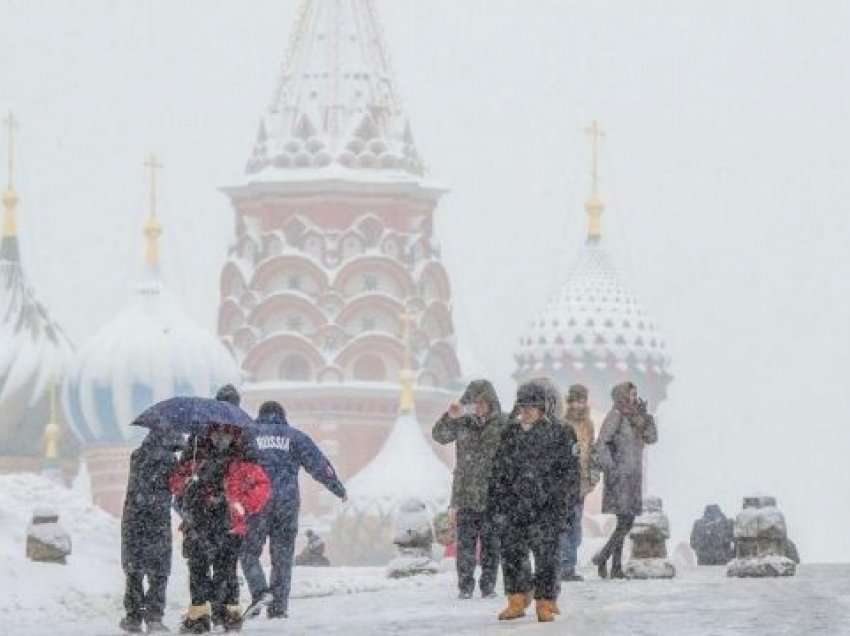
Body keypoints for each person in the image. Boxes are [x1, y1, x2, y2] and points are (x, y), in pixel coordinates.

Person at [240, 401, 347, 620]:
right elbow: (319, 465)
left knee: (249, 552)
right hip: (287, 504)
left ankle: (260, 591)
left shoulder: (248, 435)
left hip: (257, 503)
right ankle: (278, 608)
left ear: (261, 416)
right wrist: (337, 487)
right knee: (282, 558)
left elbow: (232, 466)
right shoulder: (294, 437)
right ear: (282, 416)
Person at [487, 381, 578, 623]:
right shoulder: (510, 433)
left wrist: (564, 505)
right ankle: (517, 599)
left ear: (544, 408)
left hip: (547, 508)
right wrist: (496, 504)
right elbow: (498, 471)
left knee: (547, 557)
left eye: (533, 406)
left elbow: (570, 473)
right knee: (512, 555)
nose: (527, 411)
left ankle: (546, 602)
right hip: (513, 507)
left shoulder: (561, 432)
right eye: (523, 406)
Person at [170, 424, 271, 634]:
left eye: (226, 434)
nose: (221, 438)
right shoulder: (199, 457)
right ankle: (216, 615)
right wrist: (187, 484)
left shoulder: (236, 461)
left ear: (234, 436)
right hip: (204, 523)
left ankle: (214, 615)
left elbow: (261, 487)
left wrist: (241, 505)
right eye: (217, 433)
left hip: (221, 524)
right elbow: (176, 482)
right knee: (208, 570)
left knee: (220, 571)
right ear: (210, 434)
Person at [432, 379, 508, 600]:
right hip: (465, 494)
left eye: (483, 402)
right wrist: (450, 416)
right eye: (475, 402)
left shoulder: (503, 423)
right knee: (465, 545)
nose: (480, 406)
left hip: (494, 495)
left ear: (491, 402)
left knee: (491, 546)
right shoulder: (462, 422)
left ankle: (488, 586)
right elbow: (439, 435)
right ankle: (465, 587)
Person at [119, 429, 185, 634]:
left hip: (133, 519)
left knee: (134, 570)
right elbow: (177, 489)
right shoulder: (169, 460)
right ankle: (154, 617)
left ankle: (133, 617)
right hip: (157, 521)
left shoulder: (137, 455)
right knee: (159, 571)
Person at [592, 382, 658, 579]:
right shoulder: (616, 415)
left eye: (636, 393)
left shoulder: (637, 416)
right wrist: (610, 467)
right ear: (622, 395)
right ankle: (605, 558)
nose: (635, 397)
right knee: (625, 521)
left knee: (624, 521)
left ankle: (614, 566)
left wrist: (647, 419)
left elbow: (652, 438)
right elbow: (601, 443)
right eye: (631, 393)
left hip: (634, 477)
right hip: (619, 476)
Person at [559, 384, 599, 582]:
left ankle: (568, 565)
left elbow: (592, 453)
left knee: (575, 527)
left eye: (581, 400)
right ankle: (564, 567)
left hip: (580, 484)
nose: (578, 405)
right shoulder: (561, 423)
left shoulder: (589, 424)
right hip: (563, 482)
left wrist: (592, 478)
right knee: (565, 526)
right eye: (575, 400)